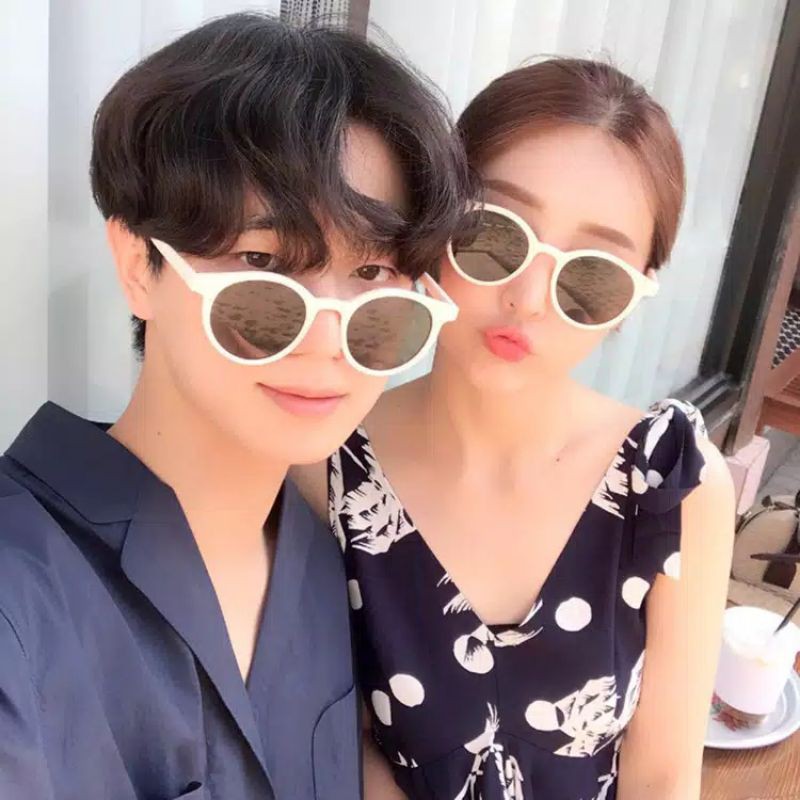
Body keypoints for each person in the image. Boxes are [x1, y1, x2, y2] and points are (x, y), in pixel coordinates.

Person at [0, 13, 471, 800]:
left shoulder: (328, 564)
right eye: (264, 265)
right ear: (138, 264)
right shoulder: (20, 593)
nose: (327, 339)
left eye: (373, 277)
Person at [294, 58, 735, 800]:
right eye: (495, 233)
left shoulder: (672, 483)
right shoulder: (326, 464)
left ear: (630, 300)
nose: (528, 298)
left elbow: (663, 776)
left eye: (592, 274)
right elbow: (337, 741)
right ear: (433, 226)